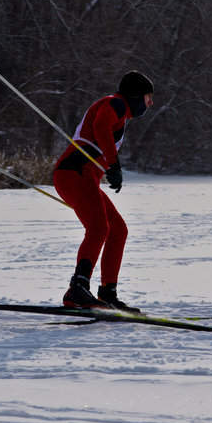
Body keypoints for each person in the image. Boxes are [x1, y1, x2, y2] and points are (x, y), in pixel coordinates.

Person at [53, 71, 154, 312]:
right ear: (136, 96)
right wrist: (113, 164)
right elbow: (100, 126)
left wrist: (109, 166)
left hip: (85, 177)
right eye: (148, 98)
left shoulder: (121, 111)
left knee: (118, 230)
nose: (150, 104)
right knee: (98, 228)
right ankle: (77, 289)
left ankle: (108, 293)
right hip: (74, 173)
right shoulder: (115, 103)